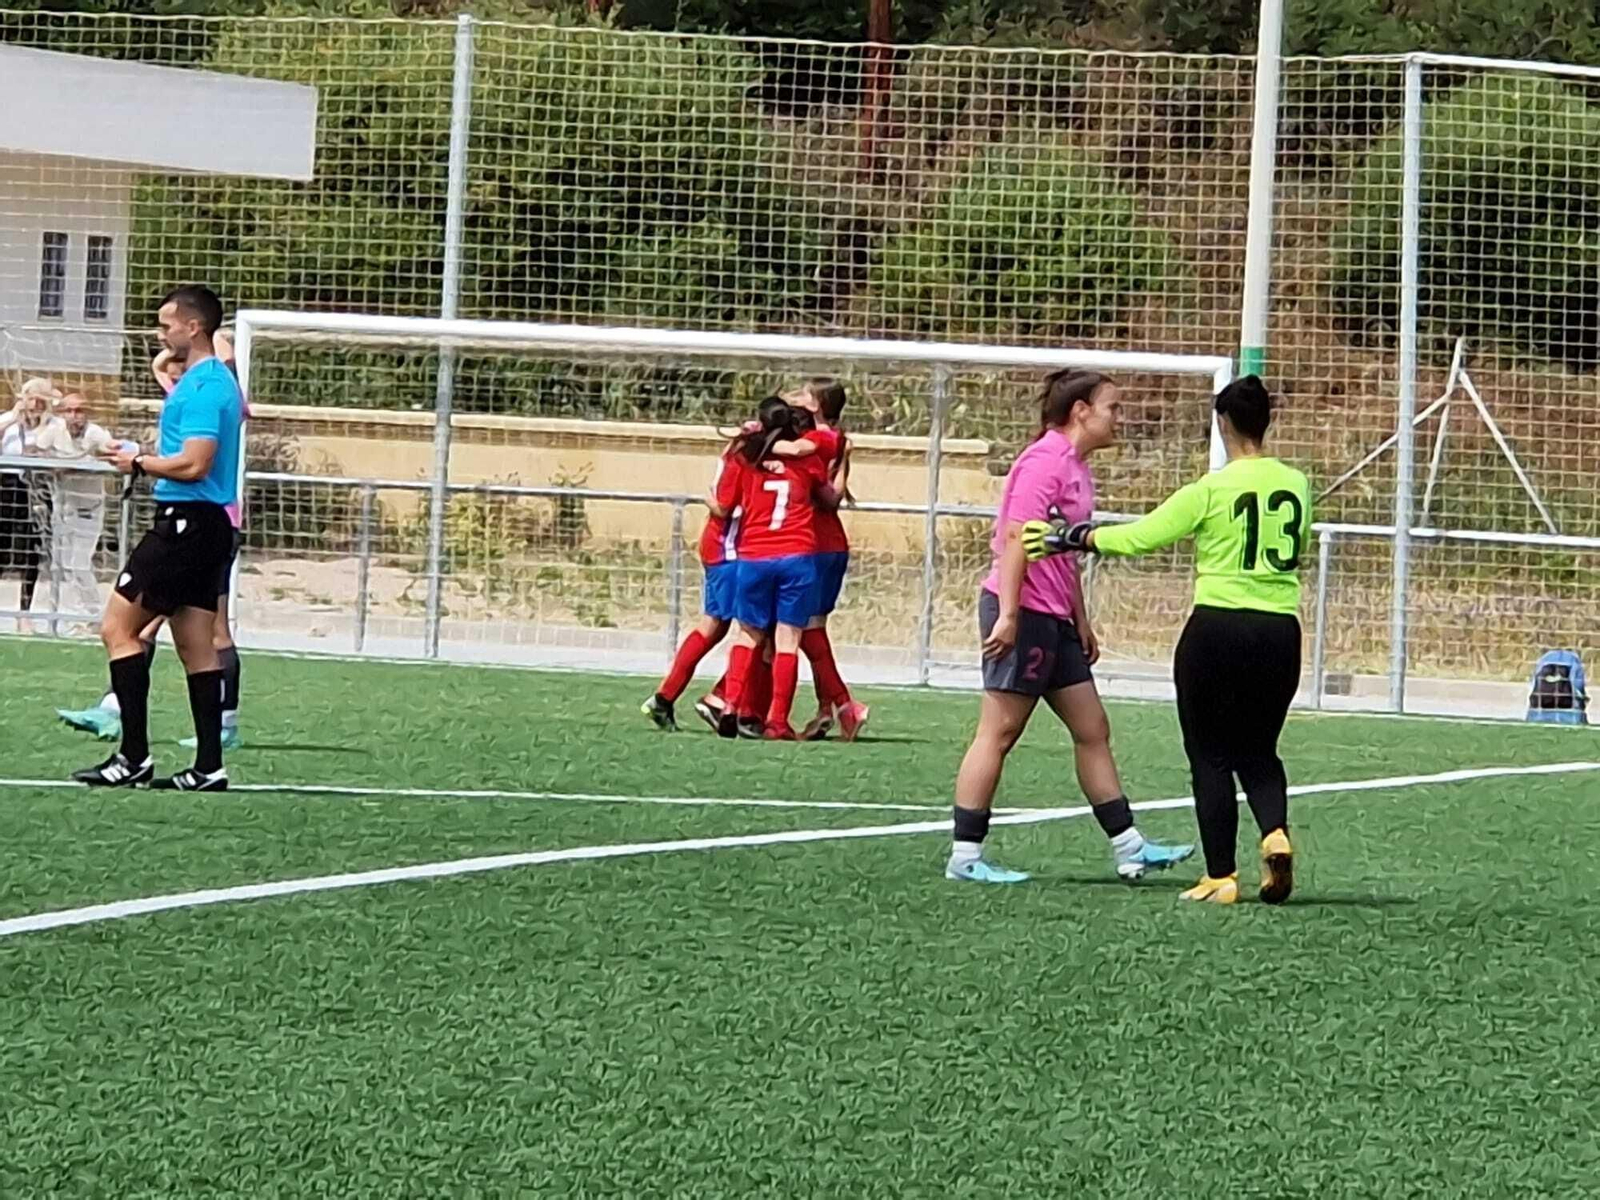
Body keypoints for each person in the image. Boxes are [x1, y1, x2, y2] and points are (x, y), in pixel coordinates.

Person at [1024, 375, 1309, 905]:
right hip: (1279, 631)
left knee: (1210, 755)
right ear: (1266, 423)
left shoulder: (1211, 489)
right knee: (1260, 751)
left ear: (1223, 425)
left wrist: (1075, 536)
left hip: (1218, 630)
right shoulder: (1296, 484)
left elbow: (1141, 536)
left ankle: (1221, 876)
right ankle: (1275, 833)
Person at [946, 369, 1194, 885]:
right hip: (1024, 612)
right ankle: (965, 857)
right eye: (1113, 408)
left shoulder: (1078, 468)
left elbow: (1062, 551)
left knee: (1092, 728)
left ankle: (1130, 848)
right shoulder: (1044, 462)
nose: (1120, 418)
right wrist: (1011, 614)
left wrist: (1080, 618)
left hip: (1054, 617)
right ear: (1081, 411)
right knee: (1000, 731)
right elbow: (1017, 538)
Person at [72, 285, 244, 791]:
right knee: (196, 646)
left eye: (167, 324)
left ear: (193, 327)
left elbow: (195, 463)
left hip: (186, 523)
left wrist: (139, 462)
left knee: (117, 628)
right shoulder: (201, 380)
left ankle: (133, 756)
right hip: (202, 524)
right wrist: (139, 452)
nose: (160, 332)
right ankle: (209, 766)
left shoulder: (207, 386)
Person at [713, 396, 839, 740]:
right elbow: (828, 496)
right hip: (797, 556)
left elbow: (725, 504)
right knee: (787, 639)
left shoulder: (745, 457)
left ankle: (730, 704)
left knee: (747, 633)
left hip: (754, 556)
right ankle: (777, 722)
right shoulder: (808, 459)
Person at [781, 379, 869, 742]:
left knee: (805, 631)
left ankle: (848, 706)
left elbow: (830, 496)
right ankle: (825, 708)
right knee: (810, 629)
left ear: (816, 405)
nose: (797, 397)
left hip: (816, 544)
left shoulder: (815, 441)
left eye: (805, 394)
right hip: (828, 544)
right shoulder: (836, 439)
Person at [641, 434, 746, 731]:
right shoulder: (746, 456)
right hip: (730, 551)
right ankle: (722, 701)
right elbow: (724, 506)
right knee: (755, 632)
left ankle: (667, 699)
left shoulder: (738, 449)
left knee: (717, 627)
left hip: (724, 548)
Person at [33, 392, 116, 625]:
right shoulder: (55, 431)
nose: (74, 416)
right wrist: (51, 459)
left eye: (79, 411)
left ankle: (95, 616)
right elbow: (34, 450)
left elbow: (111, 454)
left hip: (88, 509)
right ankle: (72, 616)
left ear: (87, 413)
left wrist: (77, 465)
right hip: (62, 508)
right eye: (69, 411)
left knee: (79, 565)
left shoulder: (97, 434)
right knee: (61, 566)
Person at [0, 378, 59, 629]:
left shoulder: (53, 425)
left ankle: (24, 612)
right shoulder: (9, 422)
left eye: (40, 399)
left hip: (35, 488)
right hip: (6, 485)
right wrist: (15, 415)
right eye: (31, 398)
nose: (35, 404)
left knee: (30, 552)